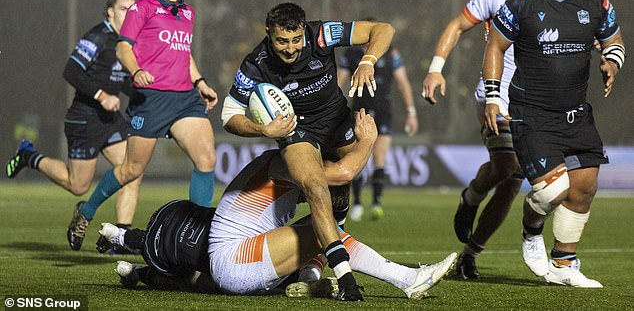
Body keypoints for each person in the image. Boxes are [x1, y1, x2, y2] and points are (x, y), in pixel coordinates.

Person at [101, 110, 457, 300]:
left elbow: (334, 201)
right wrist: (367, 142)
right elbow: (344, 173)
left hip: (230, 258)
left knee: (324, 223)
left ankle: (309, 278)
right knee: (325, 231)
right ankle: (408, 279)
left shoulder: (284, 159)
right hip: (234, 259)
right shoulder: (286, 163)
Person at [221, 2, 395, 299]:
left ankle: (312, 268)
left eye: (296, 40)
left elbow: (384, 29)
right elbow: (228, 114)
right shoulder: (256, 63)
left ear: (304, 31)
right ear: (268, 34)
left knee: (341, 189)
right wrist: (263, 130)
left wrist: (367, 60)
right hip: (298, 132)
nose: (290, 49)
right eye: (281, 41)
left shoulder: (322, 34)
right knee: (316, 186)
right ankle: (345, 277)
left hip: (337, 122)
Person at [483, 0, 624, 288]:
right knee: (551, 192)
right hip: (532, 114)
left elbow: (614, 39)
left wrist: (612, 61)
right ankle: (531, 231)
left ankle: (564, 264)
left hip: (576, 114)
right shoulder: (520, 3)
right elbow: (495, 48)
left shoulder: (595, 2)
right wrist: (492, 97)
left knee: (584, 187)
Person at [67, 0, 219, 251]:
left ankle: (195, 236)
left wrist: (199, 81)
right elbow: (124, 48)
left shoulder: (187, 12)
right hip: (151, 99)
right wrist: (137, 70)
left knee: (207, 160)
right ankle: (86, 211)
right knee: (131, 170)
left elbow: (183, 51)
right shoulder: (141, 8)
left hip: (184, 100)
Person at [421, 0, 543, 279]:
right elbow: (458, 25)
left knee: (510, 182)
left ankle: (470, 253)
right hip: (496, 93)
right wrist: (435, 70)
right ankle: (473, 197)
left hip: (535, 100)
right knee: (507, 166)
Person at [6, 0, 143, 247]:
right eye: (124, 8)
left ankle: (119, 238)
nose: (130, 14)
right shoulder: (97, 37)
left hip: (111, 119)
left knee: (131, 172)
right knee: (78, 186)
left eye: (133, 10)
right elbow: (71, 70)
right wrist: (102, 95)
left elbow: (123, 82)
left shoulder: (126, 43)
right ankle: (29, 156)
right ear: (110, 12)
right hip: (85, 119)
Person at [337, 39, 418, 221]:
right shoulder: (351, 54)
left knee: (379, 158)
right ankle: (356, 203)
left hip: (383, 112)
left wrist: (411, 112)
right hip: (360, 112)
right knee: (356, 157)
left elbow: (403, 83)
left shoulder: (391, 53)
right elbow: (339, 81)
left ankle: (376, 203)